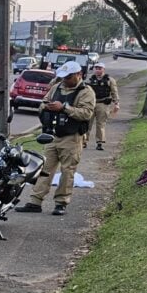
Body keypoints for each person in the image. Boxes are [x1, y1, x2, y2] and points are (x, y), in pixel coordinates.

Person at [15, 61, 96, 216]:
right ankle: (35, 201)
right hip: (53, 135)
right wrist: (46, 107)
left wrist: (64, 108)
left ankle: (61, 203)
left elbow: (86, 113)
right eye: (63, 77)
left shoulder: (86, 92)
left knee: (67, 171)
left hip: (72, 137)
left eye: (69, 77)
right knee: (45, 169)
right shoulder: (56, 88)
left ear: (78, 74)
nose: (65, 80)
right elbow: (43, 103)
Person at [85, 64, 119, 150]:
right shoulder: (89, 79)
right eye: (96, 68)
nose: (97, 70)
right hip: (91, 103)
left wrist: (116, 103)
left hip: (103, 104)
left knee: (101, 124)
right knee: (87, 123)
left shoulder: (110, 80)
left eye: (99, 68)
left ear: (103, 69)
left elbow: (114, 92)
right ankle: (84, 141)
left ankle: (100, 142)